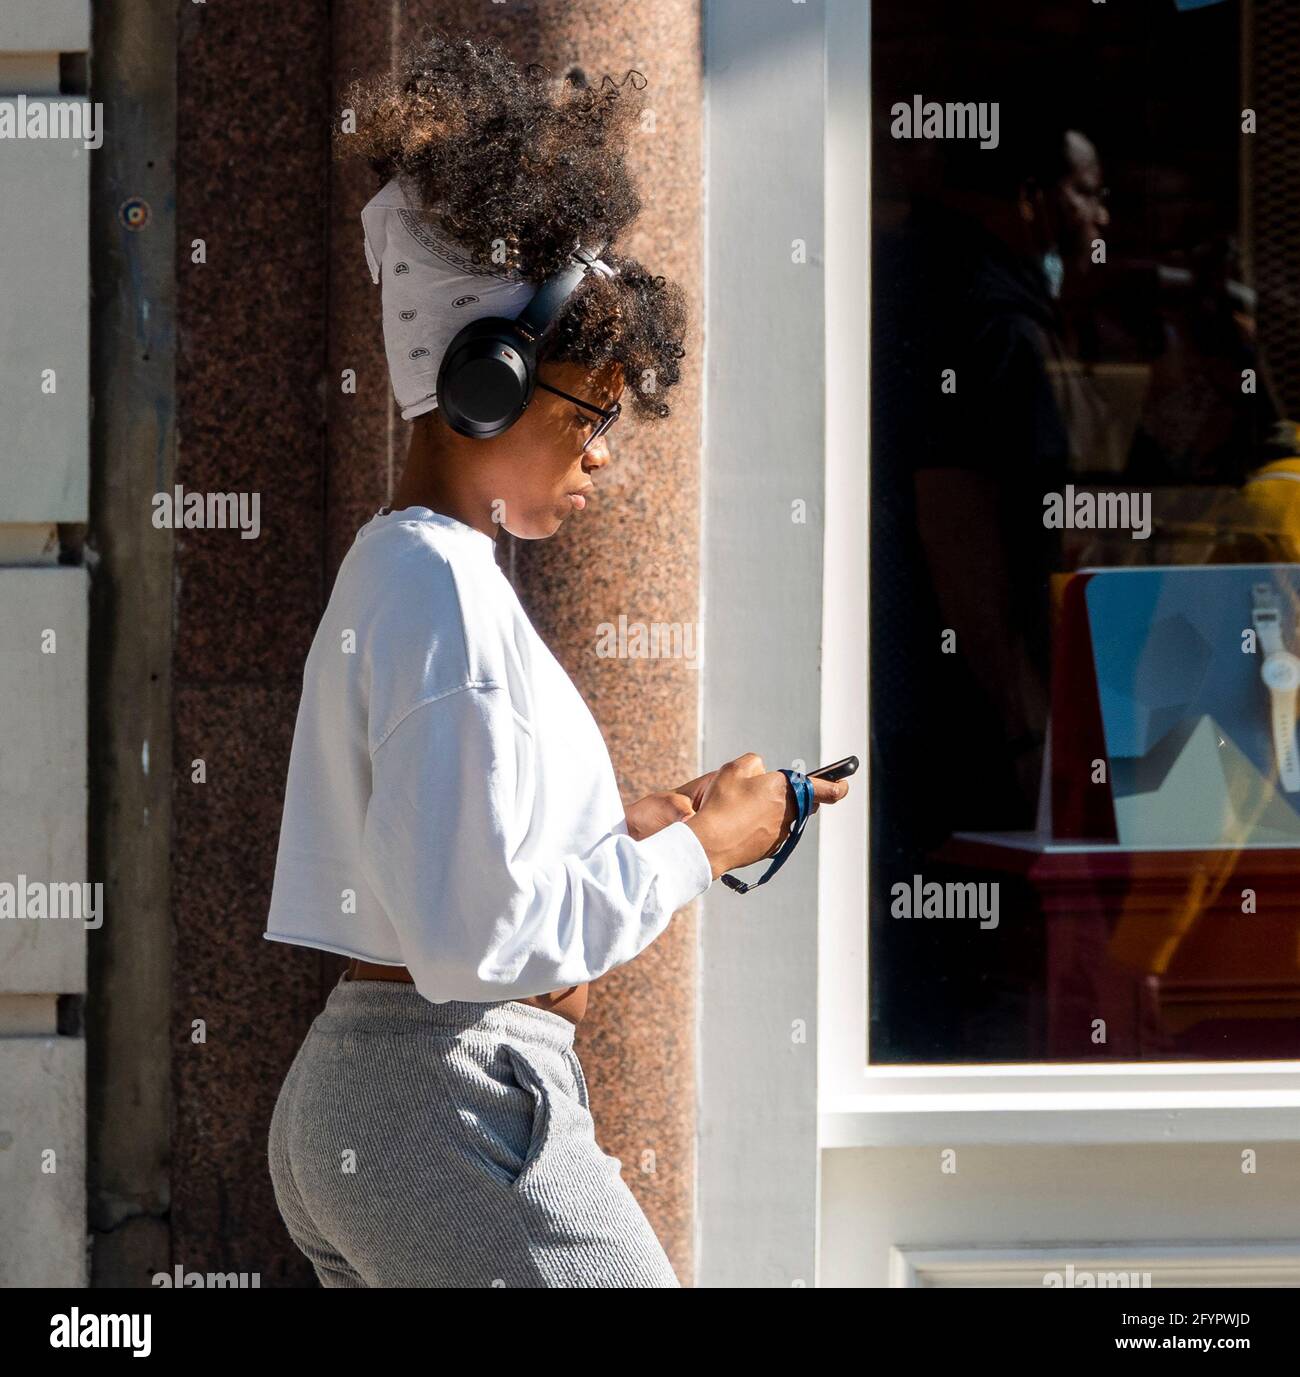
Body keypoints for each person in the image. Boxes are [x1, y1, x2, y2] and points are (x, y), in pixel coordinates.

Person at [263, 32, 848, 1289]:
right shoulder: (442, 590)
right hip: (454, 1100)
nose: (602, 456)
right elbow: (480, 946)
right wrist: (701, 850)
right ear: (486, 383)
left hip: (384, 1098)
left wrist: (631, 827)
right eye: (590, 413)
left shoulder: (408, 567)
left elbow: (450, 870)